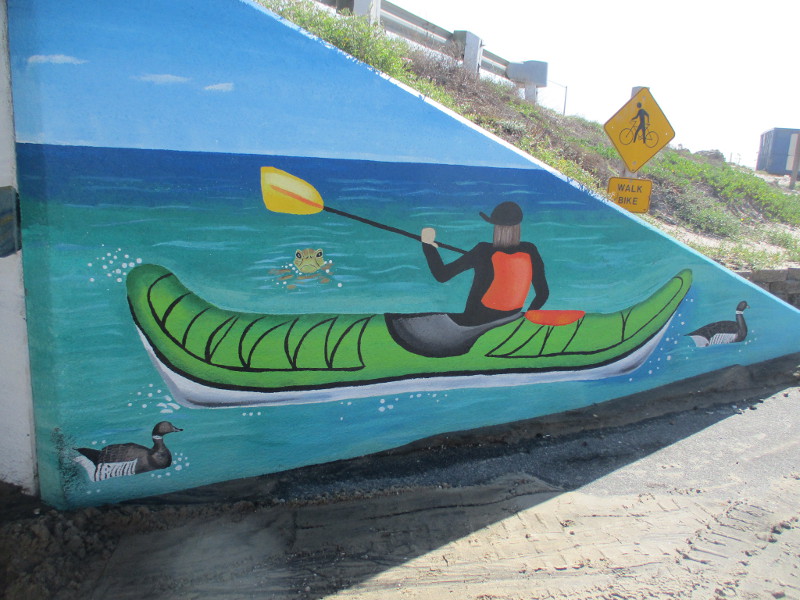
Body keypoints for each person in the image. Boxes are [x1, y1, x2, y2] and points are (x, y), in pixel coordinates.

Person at [421, 201, 548, 327]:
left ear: (496, 226)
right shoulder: (530, 250)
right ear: (518, 226)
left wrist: (427, 245)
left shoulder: (483, 250)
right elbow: (543, 294)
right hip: (512, 316)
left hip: (474, 320)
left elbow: (442, 275)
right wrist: (525, 318)